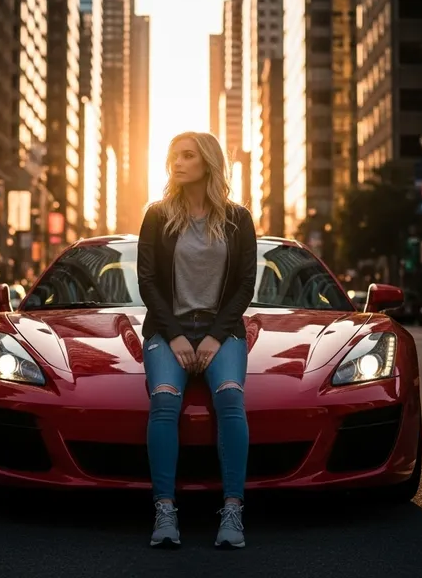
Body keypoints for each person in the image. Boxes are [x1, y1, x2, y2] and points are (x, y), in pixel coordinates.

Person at [137, 131, 257, 549]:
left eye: (188, 155)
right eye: (174, 155)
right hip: (167, 329)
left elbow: (245, 285)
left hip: (220, 330)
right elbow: (147, 282)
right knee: (165, 399)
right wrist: (174, 336)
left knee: (229, 398)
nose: (178, 162)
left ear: (208, 162)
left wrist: (214, 336)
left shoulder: (238, 218)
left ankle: (233, 509)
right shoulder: (156, 215)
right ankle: (165, 509)